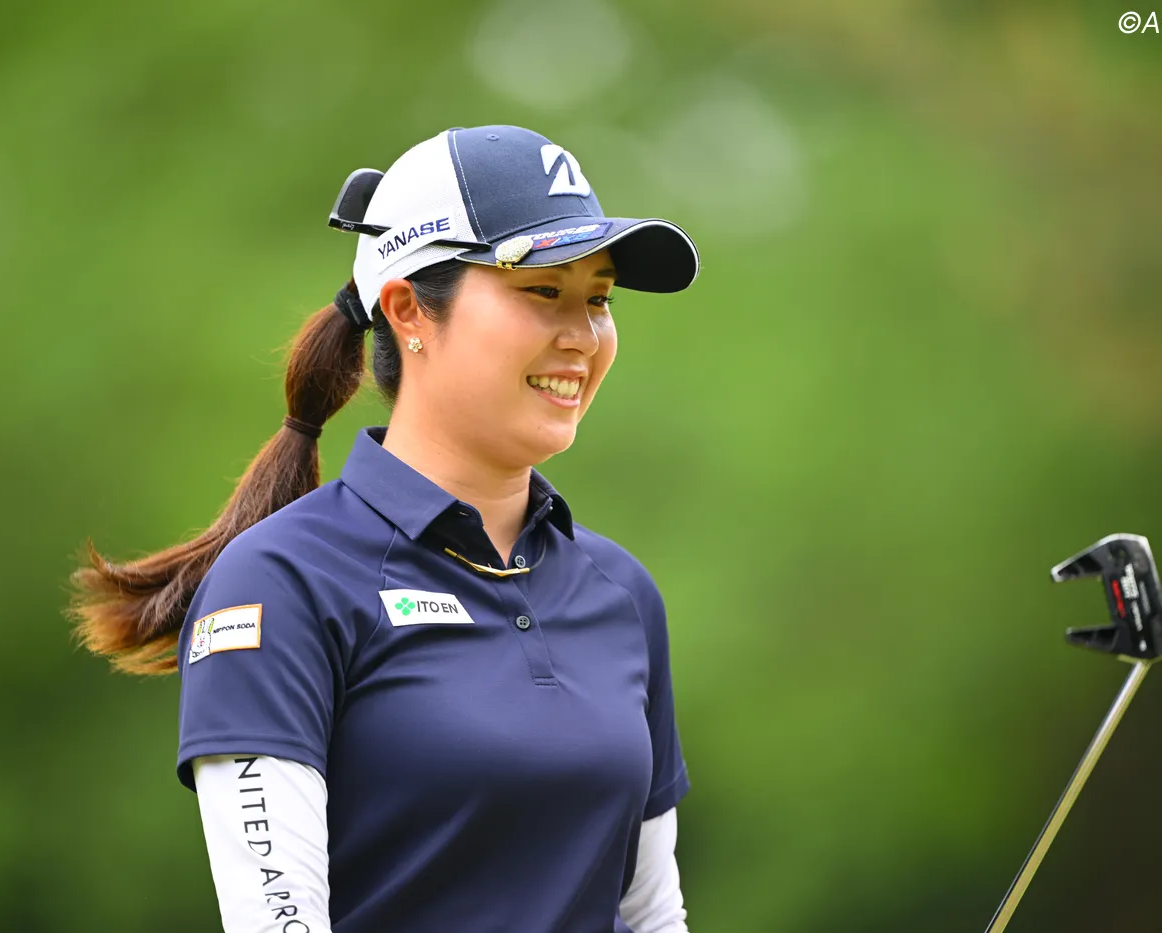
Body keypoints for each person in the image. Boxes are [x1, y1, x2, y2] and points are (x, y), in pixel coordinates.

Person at [68, 124, 702, 933]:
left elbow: (653, 915)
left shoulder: (621, 593)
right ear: (407, 311)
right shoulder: (280, 585)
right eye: (543, 290)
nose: (582, 334)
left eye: (599, 298)